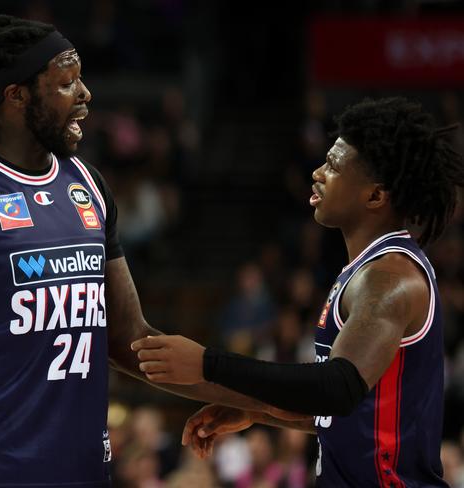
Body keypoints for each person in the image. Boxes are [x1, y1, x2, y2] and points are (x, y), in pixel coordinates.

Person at [0, 15, 295, 487]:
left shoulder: (86, 184)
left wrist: (259, 402)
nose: (85, 95)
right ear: (16, 96)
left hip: (83, 470)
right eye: (67, 83)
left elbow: (130, 340)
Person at [132, 97, 464, 486]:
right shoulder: (369, 268)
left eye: (335, 166)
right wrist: (259, 410)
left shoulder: (389, 278)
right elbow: (351, 414)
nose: (318, 173)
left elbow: (338, 389)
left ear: (376, 196)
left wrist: (207, 363)